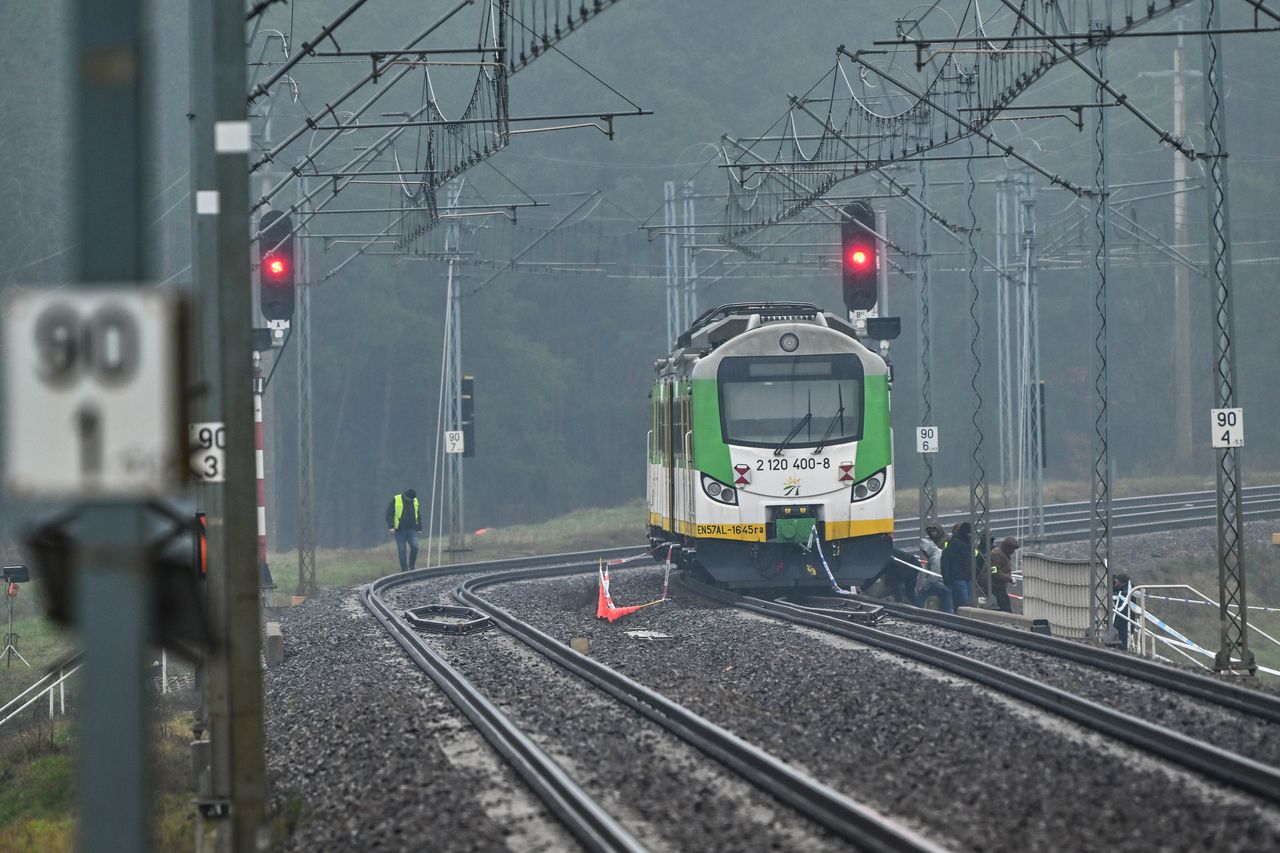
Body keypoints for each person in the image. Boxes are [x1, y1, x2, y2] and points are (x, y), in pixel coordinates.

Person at [915, 525, 955, 613]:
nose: (924, 554)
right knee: (946, 603)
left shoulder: (935, 558)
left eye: (924, 552)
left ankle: (918, 612)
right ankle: (950, 616)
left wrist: (924, 586)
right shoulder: (938, 553)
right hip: (946, 583)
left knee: (921, 595)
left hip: (940, 584)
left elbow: (934, 577)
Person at [385, 488, 422, 572]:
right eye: (410, 499)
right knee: (402, 550)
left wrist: (419, 527)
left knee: (415, 546)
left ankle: (411, 566)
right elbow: (389, 513)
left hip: (412, 529)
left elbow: (418, 514)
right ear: (406, 496)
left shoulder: (414, 500)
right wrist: (391, 527)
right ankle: (404, 570)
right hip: (399, 530)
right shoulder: (396, 499)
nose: (411, 500)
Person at [941, 522, 975, 609]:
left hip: (967, 577)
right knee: (963, 603)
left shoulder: (968, 542)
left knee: (968, 603)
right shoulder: (955, 542)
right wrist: (946, 577)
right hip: (958, 577)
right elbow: (945, 559)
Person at [989, 536, 1021, 613]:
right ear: (1007, 548)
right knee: (1006, 608)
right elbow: (995, 572)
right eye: (1012, 549)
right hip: (995, 587)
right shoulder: (996, 555)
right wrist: (1009, 579)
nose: (1013, 551)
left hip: (1000, 586)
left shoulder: (1004, 555)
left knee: (1006, 606)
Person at [1111, 572, 1134, 651]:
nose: (1115, 582)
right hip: (1122, 620)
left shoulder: (1127, 592)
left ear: (1121, 582)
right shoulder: (1123, 589)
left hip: (1123, 621)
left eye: (1116, 581)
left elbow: (1121, 607)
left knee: (1123, 643)